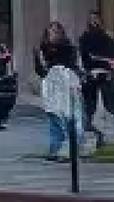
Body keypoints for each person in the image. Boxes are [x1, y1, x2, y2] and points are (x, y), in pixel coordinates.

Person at [34, 18, 83, 159]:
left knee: (69, 117)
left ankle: (71, 148)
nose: (53, 34)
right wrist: (39, 59)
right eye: (50, 32)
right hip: (52, 86)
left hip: (66, 84)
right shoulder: (43, 49)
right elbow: (41, 71)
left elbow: (72, 65)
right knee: (54, 116)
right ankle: (55, 148)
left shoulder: (67, 48)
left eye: (56, 31)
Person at [78, 10, 114, 145]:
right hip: (91, 75)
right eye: (91, 19)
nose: (94, 21)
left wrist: (112, 67)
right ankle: (96, 133)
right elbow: (84, 57)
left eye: (96, 18)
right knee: (91, 106)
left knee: (110, 104)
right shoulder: (84, 38)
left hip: (105, 75)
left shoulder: (107, 38)